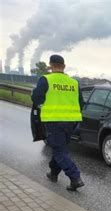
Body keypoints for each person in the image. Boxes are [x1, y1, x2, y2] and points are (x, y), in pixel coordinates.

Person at [31, 54, 85, 191]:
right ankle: (53, 173)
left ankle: (75, 178)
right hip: (71, 122)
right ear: (64, 66)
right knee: (60, 148)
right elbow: (81, 103)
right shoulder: (74, 83)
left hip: (53, 121)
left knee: (59, 150)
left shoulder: (46, 80)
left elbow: (36, 98)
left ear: (50, 65)